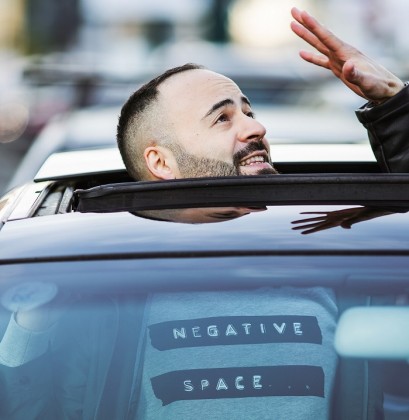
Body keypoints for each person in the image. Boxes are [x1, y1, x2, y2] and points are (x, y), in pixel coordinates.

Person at [0, 7, 405, 420]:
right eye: (222, 118)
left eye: (248, 112)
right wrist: (34, 319)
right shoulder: (100, 295)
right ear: (161, 162)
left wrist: (393, 101)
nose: (256, 128)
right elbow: (32, 407)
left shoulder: (333, 251)